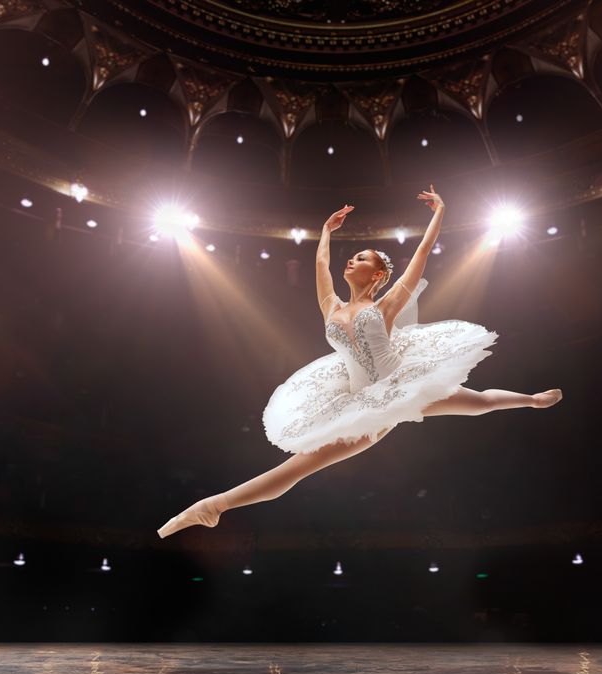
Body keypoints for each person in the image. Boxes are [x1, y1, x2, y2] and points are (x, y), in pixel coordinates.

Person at [158, 185, 561, 538]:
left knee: (479, 404)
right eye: (350, 258)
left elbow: (422, 253)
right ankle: (214, 506)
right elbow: (320, 266)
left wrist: (440, 211)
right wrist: (325, 233)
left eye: (361, 258)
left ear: (379, 274)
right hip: (355, 399)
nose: (350, 262)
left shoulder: (387, 304)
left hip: (400, 384)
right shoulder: (331, 306)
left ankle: (532, 400)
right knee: (298, 467)